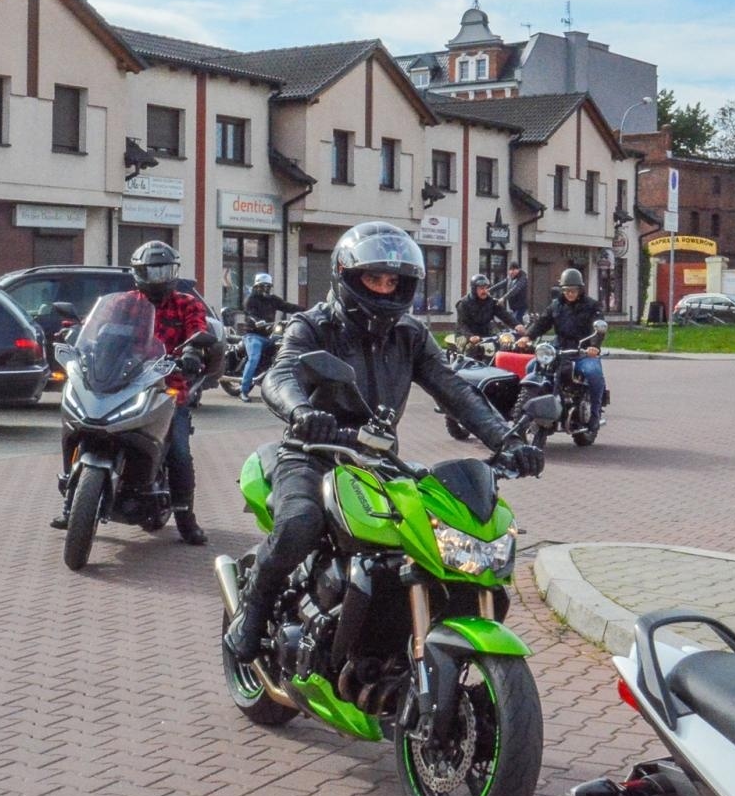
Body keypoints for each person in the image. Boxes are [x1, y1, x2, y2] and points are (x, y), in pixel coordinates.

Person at [222, 222, 544, 663]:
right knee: (299, 522)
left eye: (393, 281)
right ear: (347, 276)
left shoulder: (409, 334)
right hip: (313, 452)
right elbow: (282, 375)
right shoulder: (312, 326)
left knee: (432, 537)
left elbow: (454, 390)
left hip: (376, 459)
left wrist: (507, 439)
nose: (384, 288)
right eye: (374, 278)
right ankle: (253, 612)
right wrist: (301, 413)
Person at [50, 240, 210, 545]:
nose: (158, 276)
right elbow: (95, 332)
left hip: (167, 387)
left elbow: (198, 331)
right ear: (138, 272)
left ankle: (185, 517)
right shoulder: (121, 303)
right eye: (151, 270)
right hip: (119, 382)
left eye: (164, 269)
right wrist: (75, 335)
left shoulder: (187, 305)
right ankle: (72, 504)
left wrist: (193, 352)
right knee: (81, 426)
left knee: (178, 451)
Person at [525, 267, 606, 436]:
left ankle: (595, 414)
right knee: (532, 366)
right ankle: (530, 411)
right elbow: (542, 323)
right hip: (559, 347)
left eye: (573, 290)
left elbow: (598, 328)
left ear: (580, 289)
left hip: (581, 349)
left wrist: (594, 346)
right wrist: (527, 337)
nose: (570, 293)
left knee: (593, 372)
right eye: (566, 290)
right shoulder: (556, 305)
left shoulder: (591, 306)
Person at [239, 272, 301, 402]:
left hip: (269, 336)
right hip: (253, 335)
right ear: (257, 286)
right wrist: (256, 320)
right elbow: (249, 313)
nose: (266, 289)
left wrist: (307, 310)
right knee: (254, 358)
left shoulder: (272, 299)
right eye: (263, 286)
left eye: (268, 286)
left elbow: (287, 306)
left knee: (284, 349)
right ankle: (243, 391)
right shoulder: (251, 299)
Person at [454, 273, 521, 356]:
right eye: (481, 289)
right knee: (470, 351)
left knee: (501, 347)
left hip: (485, 335)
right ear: (474, 289)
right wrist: (470, 337)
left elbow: (504, 315)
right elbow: (462, 325)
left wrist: (517, 325)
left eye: (486, 288)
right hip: (465, 335)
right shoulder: (464, 303)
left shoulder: (491, 302)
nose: (485, 291)